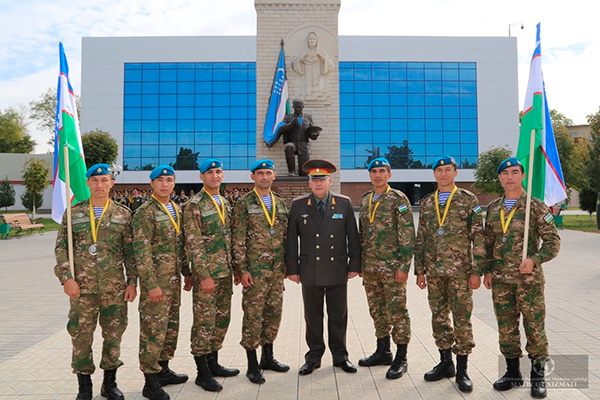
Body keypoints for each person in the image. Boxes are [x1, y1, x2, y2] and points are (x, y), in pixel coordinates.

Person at [54, 163, 137, 400]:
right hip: (82, 289)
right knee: (81, 335)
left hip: (114, 289)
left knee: (113, 335)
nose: (99, 185)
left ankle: (109, 383)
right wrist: (66, 279)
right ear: (88, 183)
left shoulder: (123, 214)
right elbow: (61, 248)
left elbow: (130, 252)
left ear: (112, 183)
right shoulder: (73, 213)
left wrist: (132, 282)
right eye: (95, 180)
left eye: (104, 180)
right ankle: (84, 386)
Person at [483, 157, 560, 399]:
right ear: (499, 178)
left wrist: (535, 259)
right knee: (506, 329)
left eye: (515, 172)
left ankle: (538, 377)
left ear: (523, 176)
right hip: (501, 281)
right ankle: (512, 373)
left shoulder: (535, 207)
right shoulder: (493, 208)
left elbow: (553, 242)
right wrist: (487, 270)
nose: (510, 177)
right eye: (505, 174)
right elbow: (488, 243)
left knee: (534, 329)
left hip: (528, 282)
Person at [414, 155, 485, 393]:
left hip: (460, 273)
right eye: (439, 170)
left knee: (462, 318)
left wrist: (477, 271)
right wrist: (420, 270)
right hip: (434, 272)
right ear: (434, 174)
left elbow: (478, 237)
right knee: (439, 317)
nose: (443, 174)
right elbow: (421, 237)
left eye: (447, 170)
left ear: (456, 173)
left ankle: (463, 370)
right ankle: (446, 363)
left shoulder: (468, 199)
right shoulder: (427, 202)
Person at [285, 159, 361, 375]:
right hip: (310, 269)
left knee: (338, 315)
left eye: (322, 180)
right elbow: (291, 239)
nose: (318, 184)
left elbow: (352, 236)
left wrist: (354, 264)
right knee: (313, 317)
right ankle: (314, 356)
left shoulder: (343, 203)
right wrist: (292, 268)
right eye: (314, 180)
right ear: (309, 183)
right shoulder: (298, 205)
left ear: (330, 181)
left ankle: (340, 356)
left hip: (337, 268)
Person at [182, 159, 239, 392]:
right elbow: (193, 243)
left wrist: (236, 267)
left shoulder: (224, 202)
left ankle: (214, 363)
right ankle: (202, 372)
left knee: (221, 320)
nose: (215, 176)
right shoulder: (194, 205)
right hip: (207, 275)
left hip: (225, 272)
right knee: (204, 322)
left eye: (218, 172)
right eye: (210, 172)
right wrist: (203, 274)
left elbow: (229, 238)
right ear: (201, 177)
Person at [231, 159, 290, 384]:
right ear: (253, 177)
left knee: (273, 314)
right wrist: (242, 269)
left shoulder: (280, 203)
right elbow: (238, 239)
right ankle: (252, 364)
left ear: (274, 176)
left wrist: (287, 264)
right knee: (253, 316)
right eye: (260, 173)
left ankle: (268, 357)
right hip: (254, 272)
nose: (265, 177)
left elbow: (285, 237)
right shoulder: (244, 204)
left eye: (268, 173)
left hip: (276, 271)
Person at [133, 165, 188, 400]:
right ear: (152, 184)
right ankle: (150, 381)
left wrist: (187, 272)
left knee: (170, 328)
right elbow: (141, 251)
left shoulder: (176, 208)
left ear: (174, 183)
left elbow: (180, 245)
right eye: (160, 180)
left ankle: (163, 370)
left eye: (169, 180)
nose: (165, 184)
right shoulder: (145, 212)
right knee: (152, 330)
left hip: (173, 281)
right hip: (156, 284)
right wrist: (151, 284)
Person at [357, 158, 415, 380]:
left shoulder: (398, 199)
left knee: (397, 311)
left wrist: (404, 266)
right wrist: (361, 264)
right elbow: (362, 234)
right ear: (369, 175)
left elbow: (407, 234)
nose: (378, 175)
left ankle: (401, 357)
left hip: (392, 269)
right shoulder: (365, 200)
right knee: (377, 310)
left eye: (382, 171)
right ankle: (383, 351)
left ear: (389, 175)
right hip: (371, 267)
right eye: (374, 171)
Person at [274, 99, 321, 176]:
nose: (298, 109)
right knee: (289, 147)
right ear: (293, 107)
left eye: (299, 107)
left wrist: (314, 135)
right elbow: (281, 130)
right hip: (292, 142)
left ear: (302, 107)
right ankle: (291, 171)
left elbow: (311, 131)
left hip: (303, 144)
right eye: (296, 107)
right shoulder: (288, 118)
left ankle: (301, 175)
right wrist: (291, 124)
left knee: (303, 173)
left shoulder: (308, 117)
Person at [291, 31, 335, 101]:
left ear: (316, 40)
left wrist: (323, 60)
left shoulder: (321, 51)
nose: (312, 40)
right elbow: (294, 63)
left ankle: (318, 97)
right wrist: (301, 60)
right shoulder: (303, 52)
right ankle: (308, 95)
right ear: (307, 40)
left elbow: (331, 65)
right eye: (310, 39)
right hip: (307, 74)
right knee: (308, 89)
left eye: (314, 39)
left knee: (318, 91)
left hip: (318, 75)